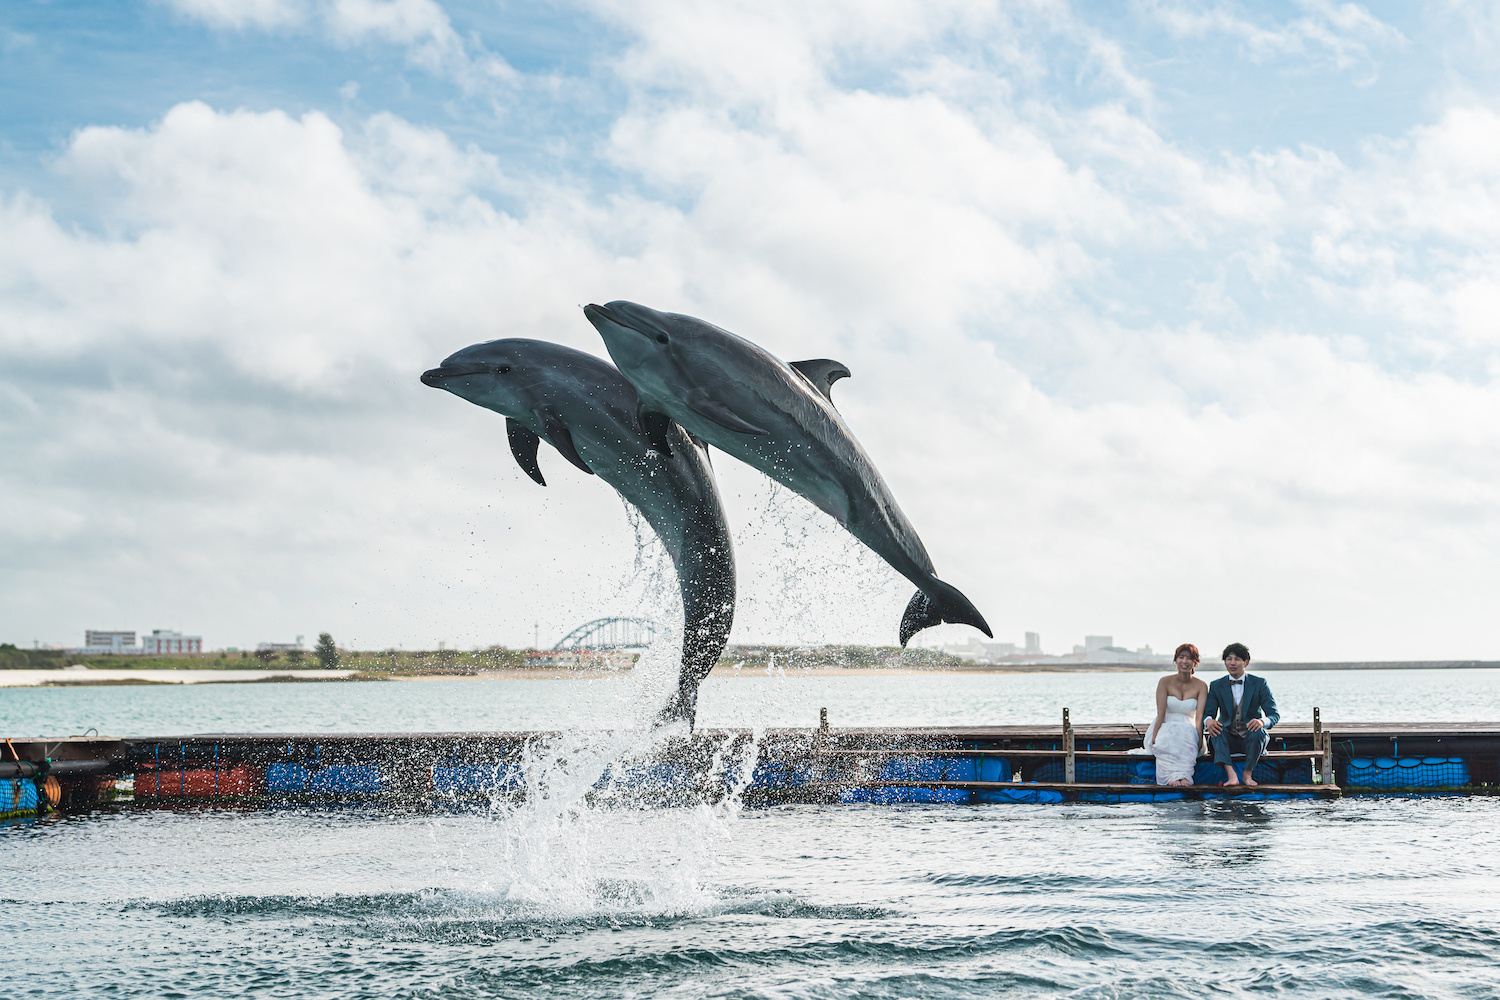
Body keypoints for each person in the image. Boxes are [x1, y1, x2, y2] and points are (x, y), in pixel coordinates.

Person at [1202, 643, 1279, 786]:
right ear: (1224, 662)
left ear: (1246, 662)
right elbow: (1207, 714)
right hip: (1226, 740)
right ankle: (1231, 775)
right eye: (1229, 659)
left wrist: (1262, 722)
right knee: (1217, 730)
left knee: (1258, 732)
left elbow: (1274, 714)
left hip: (1250, 739)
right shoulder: (1216, 685)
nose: (1232, 663)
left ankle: (1247, 774)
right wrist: (1208, 721)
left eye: (1237, 659)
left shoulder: (1259, 683)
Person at [1143, 643, 1207, 785]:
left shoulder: (1201, 686)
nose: (1184, 662)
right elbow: (1160, 714)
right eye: (1181, 657)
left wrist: (1200, 739)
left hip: (1188, 726)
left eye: (1189, 658)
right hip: (1165, 723)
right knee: (1170, 735)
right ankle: (1170, 777)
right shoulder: (1164, 682)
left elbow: (1199, 717)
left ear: (1195, 662)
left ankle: (1184, 776)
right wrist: (1154, 736)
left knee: (1186, 734)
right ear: (1175, 660)